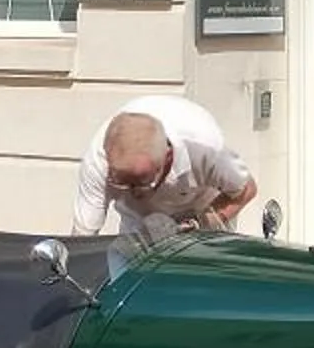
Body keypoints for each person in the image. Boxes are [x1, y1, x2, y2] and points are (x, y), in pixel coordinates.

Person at [72, 97, 256, 244]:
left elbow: (246, 190)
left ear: (167, 158)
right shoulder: (98, 161)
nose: (134, 193)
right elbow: (83, 238)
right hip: (138, 225)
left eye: (142, 183)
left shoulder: (204, 146)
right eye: (122, 183)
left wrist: (201, 224)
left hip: (204, 213)